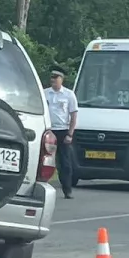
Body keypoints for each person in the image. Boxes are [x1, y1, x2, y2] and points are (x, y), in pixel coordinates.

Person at [45, 70, 78, 199]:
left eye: (56, 78)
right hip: (49, 130)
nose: (53, 80)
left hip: (62, 131)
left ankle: (67, 189)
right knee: (45, 159)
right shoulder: (45, 93)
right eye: (51, 78)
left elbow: (73, 115)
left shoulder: (69, 95)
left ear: (61, 79)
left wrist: (70, 134)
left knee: (64, 162)